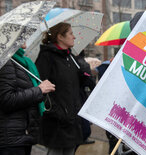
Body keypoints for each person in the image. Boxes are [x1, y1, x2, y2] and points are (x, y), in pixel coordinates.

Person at [35, 22, 84, 155]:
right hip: (56, 123)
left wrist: (84, 73)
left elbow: (74, 88)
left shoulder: (70, 57)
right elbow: (40, 88)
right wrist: (57, 112)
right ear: (60, 37)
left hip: (72, 121)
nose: (74, 37)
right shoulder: (47, 57)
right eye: (71, 33)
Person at [0, 44, 55, 155]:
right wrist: (39, 90)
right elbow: (7, 100)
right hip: (10, 140)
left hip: (21, 135)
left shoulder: (20, 61)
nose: (26, 37)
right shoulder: (5, 62)